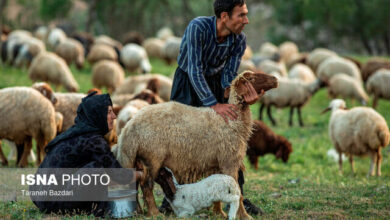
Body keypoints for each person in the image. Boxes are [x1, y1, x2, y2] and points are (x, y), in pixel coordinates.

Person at [163, 0, 263, 215]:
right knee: (181, 138)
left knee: (229, 138)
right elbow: (195, 69)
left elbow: (228, 76)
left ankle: (237, 197)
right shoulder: (198, 27)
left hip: (216, 81)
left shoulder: (239, 40)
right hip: (187, 81)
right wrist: (213, 104)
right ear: (224, 16)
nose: (246, 20)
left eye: (246, 15)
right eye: (241, 15)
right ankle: (171, 197)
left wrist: (240, 97)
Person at [31, 92, 143, 217]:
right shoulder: (94, 140)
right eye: (109, 112)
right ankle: (102, 210)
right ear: (97, 115)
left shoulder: (73, 134)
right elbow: (119, 175)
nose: (114, 116)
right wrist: (141, 174)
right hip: (53, 201)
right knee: (97, 169)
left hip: (39, 196)